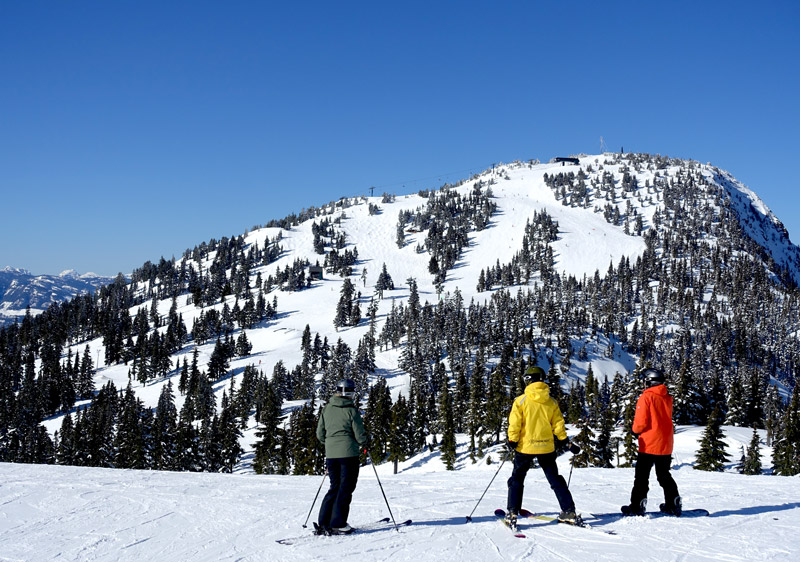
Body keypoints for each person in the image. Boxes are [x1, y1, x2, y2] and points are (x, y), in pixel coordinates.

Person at [505, 366, 581, 530]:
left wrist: (512, 440)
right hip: (546, 447)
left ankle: (512, 512)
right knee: (555, 479)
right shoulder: (551, 402)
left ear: (528, 380)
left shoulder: (521, 401)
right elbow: (558, 424)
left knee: (517, 478)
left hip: (525, 447)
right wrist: (564, 441)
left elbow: (515, 423)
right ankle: (568, 511)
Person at [621, 367, 682, 516]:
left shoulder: (646, 397)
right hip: (665, 443)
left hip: (649, 443)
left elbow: (641, 421)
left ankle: (637, 506)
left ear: (649, 381)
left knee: (642, 476)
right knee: (664, 475)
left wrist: (634, 431)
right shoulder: (667, 397)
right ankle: (673, 502)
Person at [316, 378, 369, 535]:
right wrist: (365, 442)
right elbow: (359, 434)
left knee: (334, 487)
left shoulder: (327, 409)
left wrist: (331, 444)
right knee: (345, 488)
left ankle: (324, 522)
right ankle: (338, 523)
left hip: (331, 455)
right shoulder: (351, 410)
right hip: (348, 454)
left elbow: (320, 434)